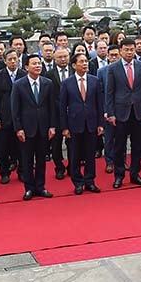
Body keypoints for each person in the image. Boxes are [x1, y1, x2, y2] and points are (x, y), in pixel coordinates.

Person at [105, 37, 141, 189]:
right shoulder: (112, 68)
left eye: (132, 49)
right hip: (120, 112)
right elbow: (109, 93)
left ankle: (135, 174)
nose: (129, 52)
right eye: (126, 50)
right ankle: (119, 175)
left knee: (137, 145)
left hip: (138, 111)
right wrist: (110, 113)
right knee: (119, 146)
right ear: (120, 51)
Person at [11, 54, 57, 200]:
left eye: (39, 63)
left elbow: (52, 107)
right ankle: (29, 188)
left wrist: (52, 126)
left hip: (44, 127)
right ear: (26, 67)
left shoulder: (48, 83)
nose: (38, 66)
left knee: (42, 159)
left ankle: (41, 186)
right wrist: (18, 128)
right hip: (26, 128)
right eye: (34, 64)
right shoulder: (18, 84)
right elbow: (15, 108)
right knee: (27, 160)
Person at [60, 51, 104, 195]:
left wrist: (100, 124)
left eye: (86, 61)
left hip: (91, 123)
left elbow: (99, 104)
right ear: (74, 65)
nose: (85, 64)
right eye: (81, 61)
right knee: (75, 155)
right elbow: (62, 106)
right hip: (74, 124)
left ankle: (90, 181)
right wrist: (64, 127)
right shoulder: (67, 83)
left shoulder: (94, 80)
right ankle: (78, 182)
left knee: (90, 155)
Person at [0, 49, 25, 184]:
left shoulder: (23, 75)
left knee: (21, 147)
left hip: (20, 118)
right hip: (4, 118)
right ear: (5, 61)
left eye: (15, 59)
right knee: (3, 148)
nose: (12, 62)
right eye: (9, 59)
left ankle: (22, 171)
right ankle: (4, 172)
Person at [45, 47, 74, 180]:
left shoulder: (75, 71)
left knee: (73, 143)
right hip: (55, 114)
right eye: (60, 57)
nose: (63, 59)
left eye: (65, 57)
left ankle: (73, 166)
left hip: (73, 113)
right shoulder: (49, 74)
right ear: (54, 59)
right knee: (56, 143)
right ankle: (59, 167)